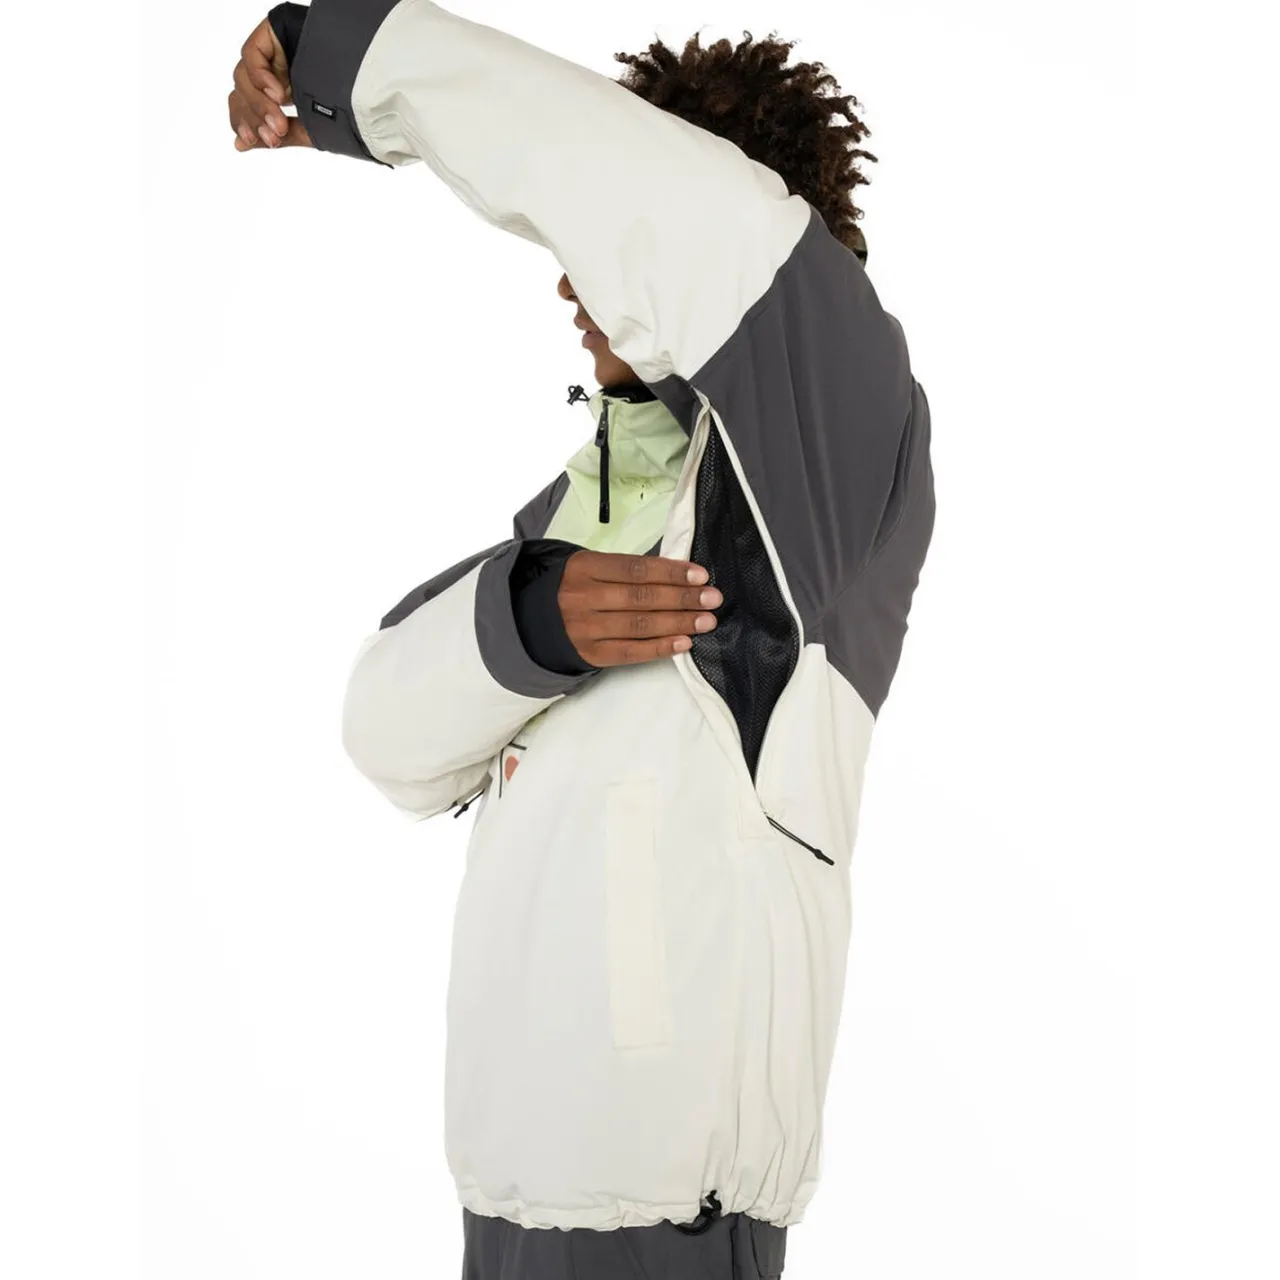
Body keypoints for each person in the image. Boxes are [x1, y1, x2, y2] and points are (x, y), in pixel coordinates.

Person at [228, 4, 935, 1276]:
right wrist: (530, 619)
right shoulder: (600, 498)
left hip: (666, 1218)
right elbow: (383, 729)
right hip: (509, 1197)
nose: (568, 281)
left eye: (594, 244)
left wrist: (340, 54)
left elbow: (662, 201)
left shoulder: (827, 439)